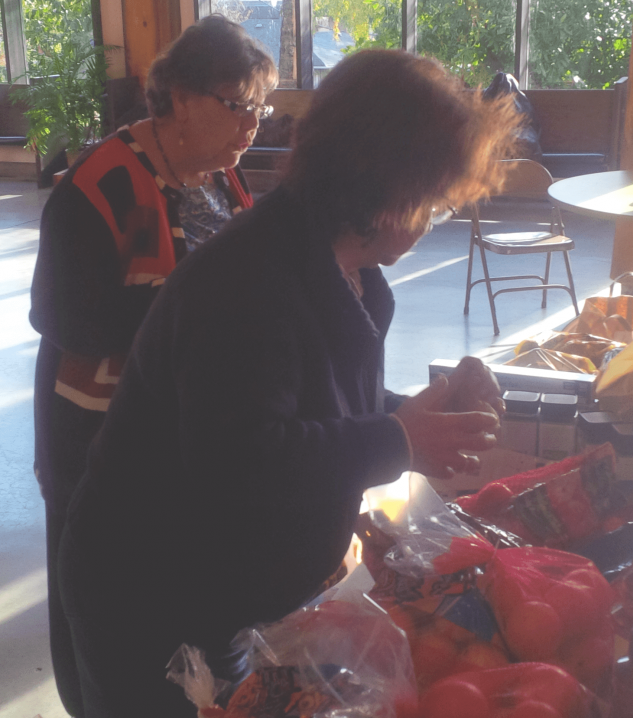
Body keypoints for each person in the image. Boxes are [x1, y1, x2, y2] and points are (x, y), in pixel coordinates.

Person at [57, 49, 520, 717]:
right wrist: (397, 437)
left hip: (233, 588)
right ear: (383, 188)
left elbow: (310, 404)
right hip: (151, 595)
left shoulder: (338, 264)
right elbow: (242, 457)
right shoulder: (246, 283)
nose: (430, 222)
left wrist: (419, 415)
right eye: (436, 202)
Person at [28, 16, 277, 718]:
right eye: (238, 105)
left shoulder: (223, 181)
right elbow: (66, 319)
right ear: (177, 97)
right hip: (105, 439)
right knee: (116, 616)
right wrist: (188, 315)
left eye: (261, 109)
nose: (251, 126)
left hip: (192, 430)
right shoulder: (96, 187)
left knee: (184, 599)